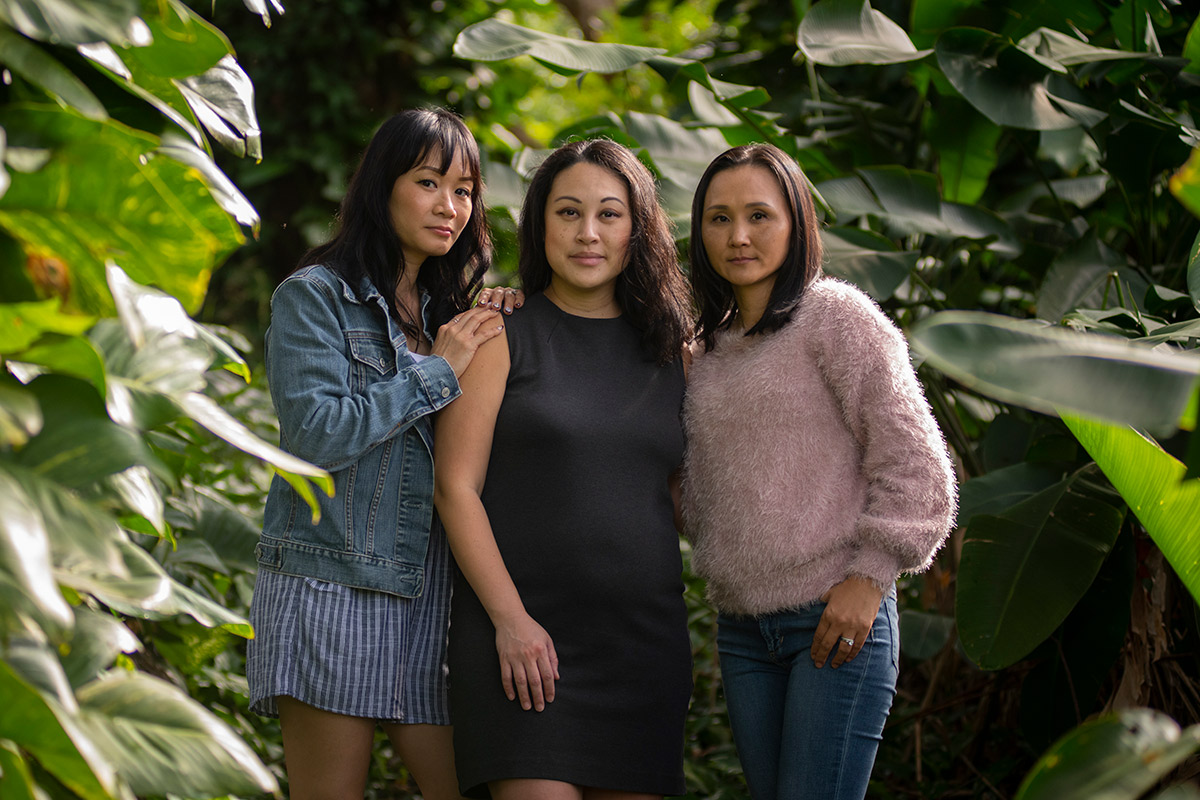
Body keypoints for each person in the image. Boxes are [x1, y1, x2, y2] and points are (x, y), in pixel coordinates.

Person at [246, 108, 518, 800]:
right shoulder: (315, 298)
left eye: (464, 191)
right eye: (429, 182)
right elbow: (314, 435)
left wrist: (508, 319)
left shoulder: (448, 312)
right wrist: (437, 371)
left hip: (428, 595)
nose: (450, 206)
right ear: (381, 187)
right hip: (329, 579)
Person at [681, 143, 958, 800]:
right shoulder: (705, 347)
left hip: (834, 617)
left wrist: (870, 579)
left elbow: (919, 466)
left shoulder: (834, 315)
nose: (738, 236)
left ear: (796, 221)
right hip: (744, 628)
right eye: (718, 219)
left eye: (759, 215)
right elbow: (700, 489)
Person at [433, 139, 694, 800]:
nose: (587, 233)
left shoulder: (675, 354)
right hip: (522, 643)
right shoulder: (498, 334)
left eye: (609, 214)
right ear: (538, 224)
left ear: (638, 230)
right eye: (568, 212)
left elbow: (679, 498)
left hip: (641, 648)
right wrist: (510, 621)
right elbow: (454, 488)